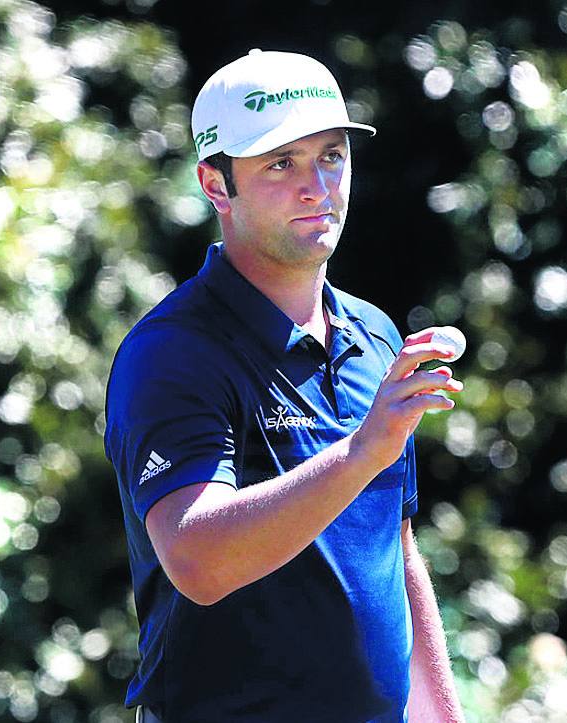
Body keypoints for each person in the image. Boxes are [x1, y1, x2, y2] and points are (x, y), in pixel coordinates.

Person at [104, 49, 466, 723]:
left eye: (331, 156)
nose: (316, 186)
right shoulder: (172, 353)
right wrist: (361, 452)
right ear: (215, 184)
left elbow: (394, 548)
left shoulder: (376, 334)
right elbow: (198, 561)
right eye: (280, 163)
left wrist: (444, 716)